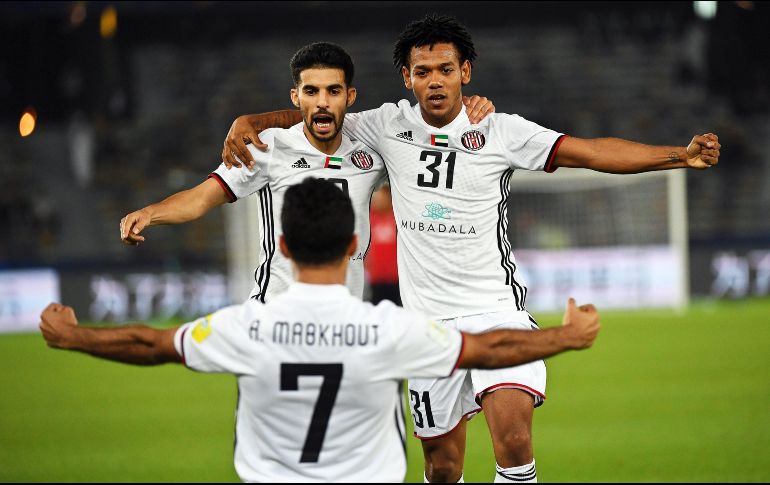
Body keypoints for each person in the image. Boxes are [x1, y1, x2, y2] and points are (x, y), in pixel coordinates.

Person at [221, 14, 721, 483]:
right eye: (423, 71)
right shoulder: (384, 126)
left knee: (514, 437)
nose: (434, 80)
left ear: (465, 71)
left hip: (494, 310)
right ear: (406, 78)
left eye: (445, 69)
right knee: (441, 466)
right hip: (428, 325)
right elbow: (320, 109)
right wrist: (253, 119)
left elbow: (589, 151)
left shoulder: (501, 130)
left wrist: (679, 155)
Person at [41, 177, 601, 483]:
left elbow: (150, 344)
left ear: (282, 248)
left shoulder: (248, 325)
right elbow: (492, 345)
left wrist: (75, 337)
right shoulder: (386, 330)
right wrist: (565, 336)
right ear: (357, 246)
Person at [119, 42, 494, 303]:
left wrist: (472, 106)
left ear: (350, 97)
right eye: (311, 91)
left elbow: (435, 132)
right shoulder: (269, 148)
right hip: (276, 312)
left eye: (333, 91)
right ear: (296, 97)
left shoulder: (372, 150)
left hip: (346, 318)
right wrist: (149, 213)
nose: (322, 102)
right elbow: (201, 198)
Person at [366, 184, 401, 305]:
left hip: (396, 277)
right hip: (376, 276)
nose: (377, 201)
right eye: (375, 199)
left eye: (381, 198)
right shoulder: (369, 218)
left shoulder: (397, 218)